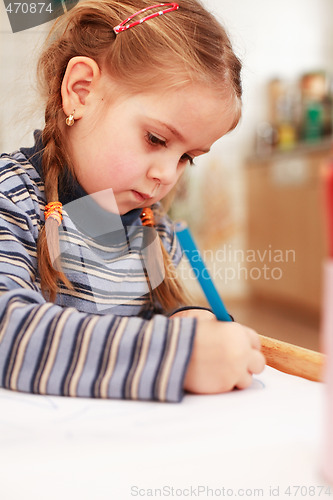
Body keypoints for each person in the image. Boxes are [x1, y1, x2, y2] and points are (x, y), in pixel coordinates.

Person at [0, 0, 265, 402]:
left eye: (186, 158)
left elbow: (150, 316)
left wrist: (187, 320)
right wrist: (176, 355)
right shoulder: (13, 199)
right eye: (156, 139)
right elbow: (8, 332)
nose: (167, 175)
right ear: (81, 91)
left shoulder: (149, 227)